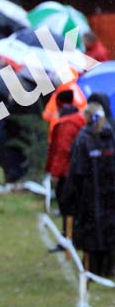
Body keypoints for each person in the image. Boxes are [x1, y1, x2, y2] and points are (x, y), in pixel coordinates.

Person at [61, 102, 115, 277]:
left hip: (89, 197)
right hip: (109, 196)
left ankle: (93, 270)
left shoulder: (83, 139)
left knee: (92, 235)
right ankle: (108, 267)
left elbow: (77, 170)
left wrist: (68, 198)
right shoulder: (110, 136)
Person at [45, 90, 86, 250]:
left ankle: (68, 238)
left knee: (67, 206)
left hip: (67, 173)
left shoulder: (66, 124)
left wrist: (55, 173)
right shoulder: (80, 119)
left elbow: (62, 150)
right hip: (78, 171)